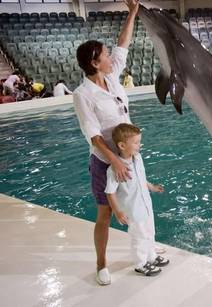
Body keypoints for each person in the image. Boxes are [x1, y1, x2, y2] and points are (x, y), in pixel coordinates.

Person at [73, 0, 140, 286]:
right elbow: (94, 135)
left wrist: (133, 12)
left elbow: (123, 43)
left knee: (137, 204)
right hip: (105, 161)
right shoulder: (82, 94)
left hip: (128, 154)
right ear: (93, 62)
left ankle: (144, 245)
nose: (111, 55)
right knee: (106, 212)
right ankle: (101, 263)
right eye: (104, 54)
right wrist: (113, 160)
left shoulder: (112, 77)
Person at [105, 123, 169, 276]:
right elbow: (110, 192)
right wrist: (117, 211)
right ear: (121, 145)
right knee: (139, 237)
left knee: (149, 232)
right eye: (136, 142)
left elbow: (142, 179)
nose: (139, 145)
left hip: (145, 205)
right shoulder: (115, 169)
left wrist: (152, 187)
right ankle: (140, 263)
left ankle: (151, 256)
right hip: (132, 210)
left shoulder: (138, 158)